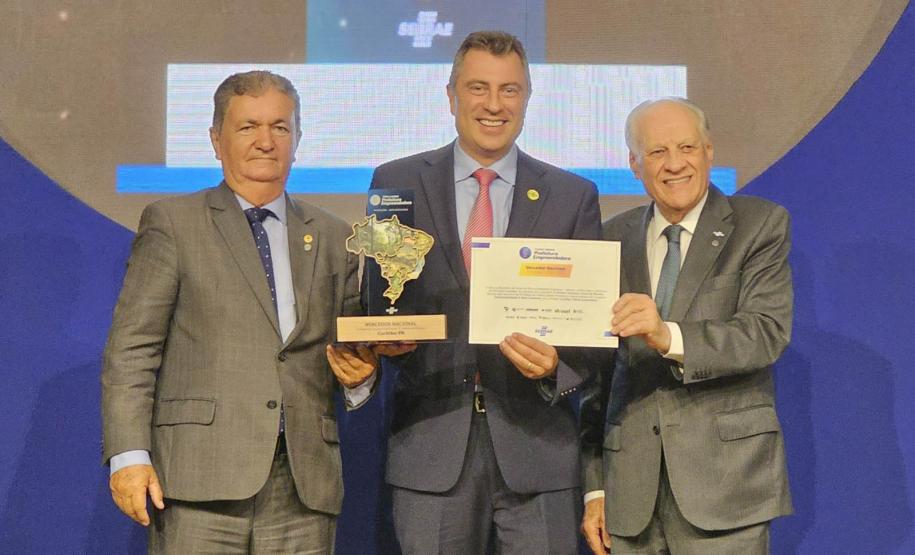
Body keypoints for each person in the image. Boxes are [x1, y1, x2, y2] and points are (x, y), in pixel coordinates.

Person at [101, 70, 396, 553]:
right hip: (199, 484)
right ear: (216, 140)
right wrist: (129, 456)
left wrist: (360, 376)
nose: (265, 141)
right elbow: (132, 351)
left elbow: (349, 350)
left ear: (298, 138)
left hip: (303, 489)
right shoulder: (173, 224)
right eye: (247, 127)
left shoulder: (333, 235)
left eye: (280, 127)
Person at [366, 31, 601, 554]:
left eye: (510, 90)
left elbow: (591, 335)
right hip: (430, 449)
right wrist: (383, 338)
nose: (494, 105)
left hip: (538, 454)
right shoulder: (396, 182)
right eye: (478, 88)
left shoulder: (572, 196)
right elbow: (378, 301)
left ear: (527, 99)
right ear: (451, 96)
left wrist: (555, 370)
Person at [580, 98, 793, 554]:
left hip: (726, 491)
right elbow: (597, 376)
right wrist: (595, 486)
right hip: (629, 498)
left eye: (686, 148)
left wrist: (667, 335)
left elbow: (764, 333)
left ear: (709, 152)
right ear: (633, 164)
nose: (674, 164)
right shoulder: (610, 239)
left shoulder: (759, 226)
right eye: (657, 152)